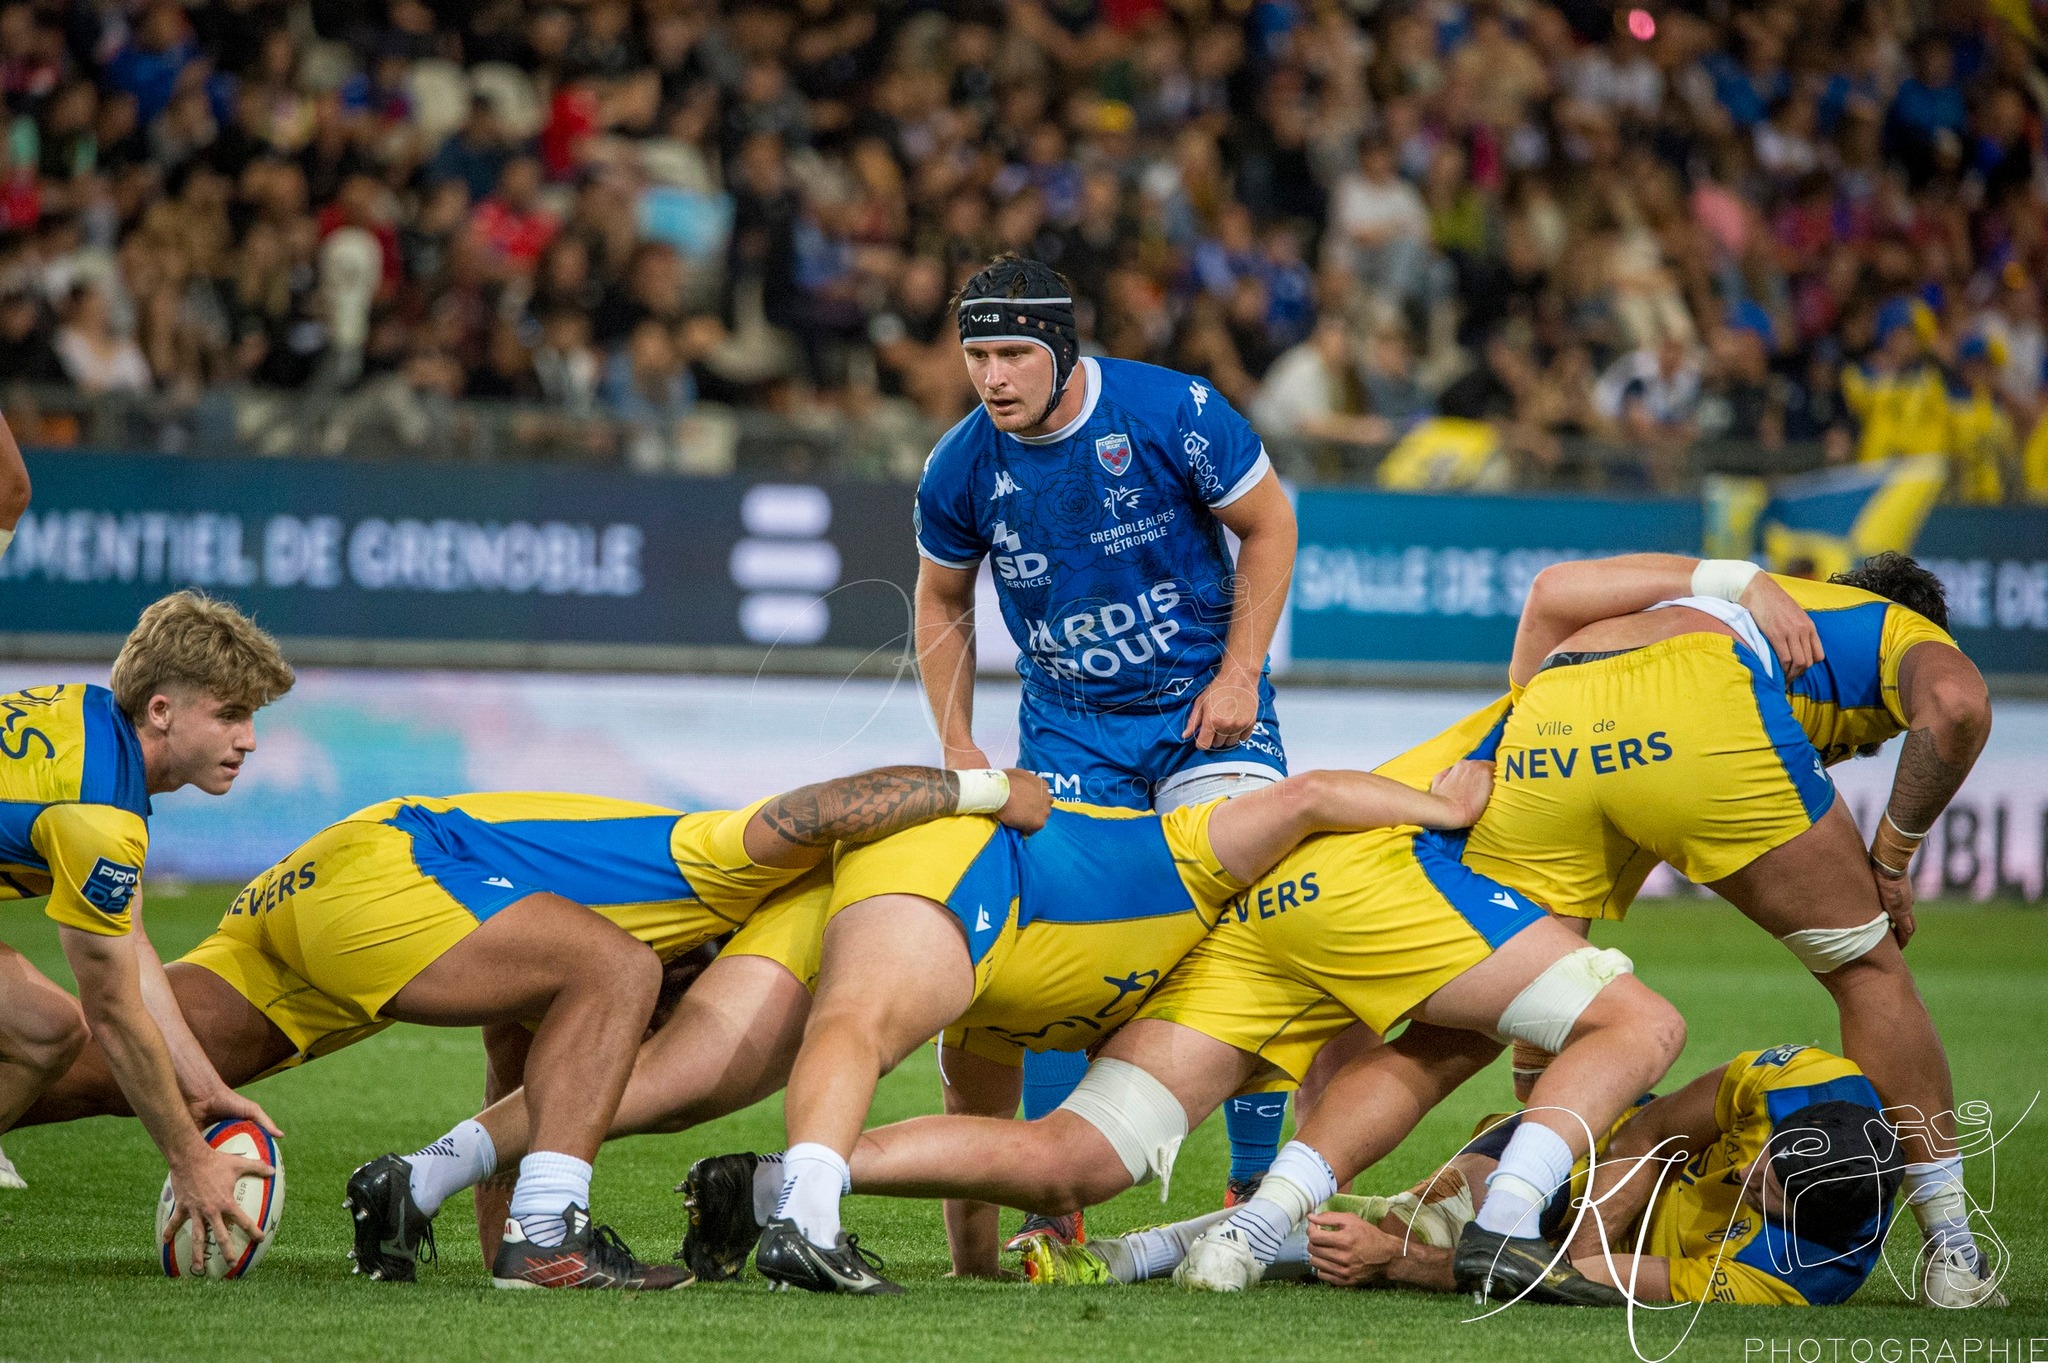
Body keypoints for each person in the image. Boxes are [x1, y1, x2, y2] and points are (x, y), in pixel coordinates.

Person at [688, 744, 1688, 1302]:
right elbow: (1307, 796)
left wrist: (974, 1259)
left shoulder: (1161, 878)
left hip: (1224, 953)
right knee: (1622, 1026)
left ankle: (792, 1177)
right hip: (1343, 903)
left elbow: (972, 1067)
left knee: (1072, 1160)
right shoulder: (1192, 842)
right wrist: (1434, 805)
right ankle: (1499, 1230)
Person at [22, 765, 1048, 1289]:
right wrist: (986, 789)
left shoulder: (537, 952)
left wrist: (479, 1230)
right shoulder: (705, 860)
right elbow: (816, 808)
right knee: (618, 965)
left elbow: (520, 1073)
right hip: (396, 864)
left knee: (91, 1063)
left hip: (312, 879)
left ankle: (449, 1213)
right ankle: (551, 1239)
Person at [1458, 550, 2001, 1308]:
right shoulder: (1894, 630)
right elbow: (1960, 705)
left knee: (1534, 984)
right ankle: (1955, 1251)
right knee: (1866, 969)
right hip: (1698, 701)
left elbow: (1549, 589)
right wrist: (1893, 855)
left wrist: (1516, 737)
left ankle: (1307, 1196)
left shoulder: (1738, 610)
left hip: (1553, 709)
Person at [914, 253, 1301, 1222]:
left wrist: (1239, 673)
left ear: (1057, 345)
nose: (991, 376)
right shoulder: (961, 463)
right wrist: (956, 741)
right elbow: (939, 598)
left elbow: (1269, 522)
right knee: (1060, 947)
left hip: (1202, 714)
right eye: (976, 355)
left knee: (1259, 920)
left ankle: (1252, 1175)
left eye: (1010, 352)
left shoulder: (1174, 411)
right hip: (1070, 733)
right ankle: (1054, 1205)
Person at [1028, 1044, 1905, 1309]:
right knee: (1432, 1218)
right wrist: (1580, 1208)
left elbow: (1578, 1284)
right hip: (1597, 1169)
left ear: (1796, 1218)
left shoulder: (1787, 1277)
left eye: (1766, 1184)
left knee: (1401, 1230)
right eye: (1765, 1150)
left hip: (1593, 1247)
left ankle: (1130, 1253)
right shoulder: (1805, 1087)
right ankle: (1133, 1253)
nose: (1751, 1168)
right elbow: (1657, 1126)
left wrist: (1394, 1263)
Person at [0, 591, 294, 1269]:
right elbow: (111, 1007)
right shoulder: (100, 812)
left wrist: (205, 1084)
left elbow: (129, 949)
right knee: (56, 1023)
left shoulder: (90, 722)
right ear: (161, 710)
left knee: (44, 1027)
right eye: (229, 715)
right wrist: (189, 1158)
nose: (247, 738)